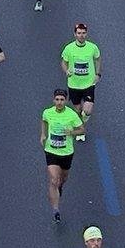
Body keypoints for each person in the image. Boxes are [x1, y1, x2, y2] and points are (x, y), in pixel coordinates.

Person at [41, 89, 83, 223]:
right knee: (53, 179)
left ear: (65, 101)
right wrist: (43, 134)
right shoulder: (48, 112)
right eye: (57, 100)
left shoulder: (71, 115)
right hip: (51, 151)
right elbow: (44, 121)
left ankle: (60, 187)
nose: (59, 102)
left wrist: (71, 132)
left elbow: (82, 130)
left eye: (62, 100)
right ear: (54, 100)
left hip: (66, 152)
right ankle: (56, 211)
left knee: (63, 178)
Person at [60, 23, 101, 142]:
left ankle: (84, 118)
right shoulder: (69, 48)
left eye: (83, 33)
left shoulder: (92, 47)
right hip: (74, 84)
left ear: (86, 34)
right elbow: (63, 62)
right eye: (79, 33)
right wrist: (66, 70)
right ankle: (80, 131)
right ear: (75, 34)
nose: (81, 35)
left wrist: (98, 74)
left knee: (87, 110)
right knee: (77, 109)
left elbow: (98, 58)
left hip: (88, 83)